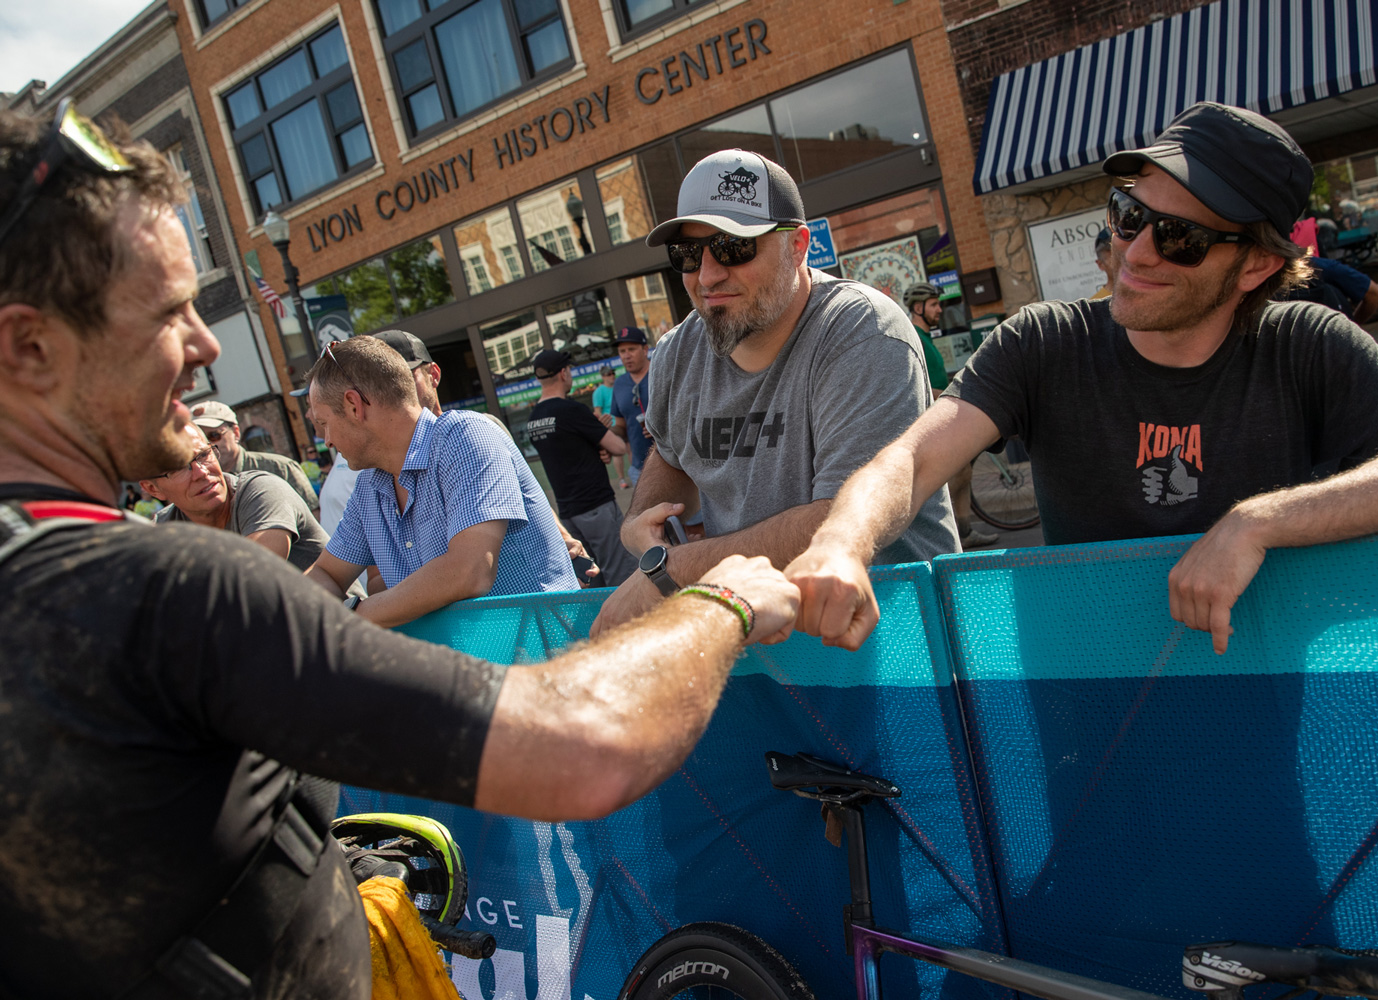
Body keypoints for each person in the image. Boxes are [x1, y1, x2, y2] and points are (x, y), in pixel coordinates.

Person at [0, 102, 798, 998]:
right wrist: (723, 602)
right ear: (30, 346)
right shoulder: (174, 590)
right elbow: (586, 747)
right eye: (165, 312)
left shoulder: (87, 578)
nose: (206, 343)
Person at [786, 101, 1378, 656]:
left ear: (1255, 265)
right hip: (1086, 710)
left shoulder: (1303, 347)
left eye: (1181, 238)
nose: (1136, 252)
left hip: (1259, 699)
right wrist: (841, 542)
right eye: (1130, 215)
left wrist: (1258, 523)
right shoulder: (1044, 342)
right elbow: (911, 460)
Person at [592, 148, 959, 635]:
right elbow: (671, 452)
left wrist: (671, 571)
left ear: (798, 246)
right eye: (687, 254)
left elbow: (839, 520)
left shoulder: (861, 332)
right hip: (757, 634)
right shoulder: (678, 351)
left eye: (733, 247)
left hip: (891, 633)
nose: (707, 275)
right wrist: (639, 520)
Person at [303, 336, 578, 625]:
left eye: (324, 423)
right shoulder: (369, 486)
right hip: (472, 653)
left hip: (543, 648)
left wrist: (348, 618)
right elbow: (325, 573)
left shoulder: (466, 437)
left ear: (353, 405)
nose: (327, 440)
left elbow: (469, 572)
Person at [142, 423, 329, 570]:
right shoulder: (164, 530)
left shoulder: (262, 491)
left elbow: (252, 577)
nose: (201, 472)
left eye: (203, 455)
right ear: (152, 489)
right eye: (179, 467)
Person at [525, 348, 635, 586]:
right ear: (563, 373)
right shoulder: (572, 410)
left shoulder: (534, 419)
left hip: (568, 513)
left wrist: (596, 446)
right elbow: (617, 447)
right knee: (622, 575)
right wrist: (600, 431)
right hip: (596, 506)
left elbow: (568, 451)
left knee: (591, 577)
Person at [903, 281, 997, 549]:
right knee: (957, 471)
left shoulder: (927, 339)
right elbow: (920, 384)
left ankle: (963, 531)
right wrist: (952, 395)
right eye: (934, 305)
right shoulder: (914, 337)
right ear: (918, 308)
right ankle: (939, 530)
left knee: (963, 470)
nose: (940, 310)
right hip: (929, 419)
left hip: (940, 414)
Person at [192, 398, 321, 515]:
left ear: (236, 433)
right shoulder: (198, 484)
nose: (208, 445)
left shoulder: (280, 468)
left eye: (214, 435)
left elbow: (313, 516)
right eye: (200, 438)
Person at [610, 326, 653, 485]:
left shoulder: (661, 373)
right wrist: (606, 432)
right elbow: (621, 426)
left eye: (631, 349)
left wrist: (659, 426)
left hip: (674, 462)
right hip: (640, 469)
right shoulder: (619, 384)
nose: (626, 355)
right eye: (622, 351)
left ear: (645, 349)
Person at [593, 364, 630, 489]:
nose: (612, 376)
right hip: (612, 426)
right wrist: (604, 427)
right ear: (603, 376)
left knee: (631, 449)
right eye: (609, 374)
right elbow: (597, 411)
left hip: (625, 422)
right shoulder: (599, 391)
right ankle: (621, 479)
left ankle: (638, 475)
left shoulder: (618, 387)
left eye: (613, 373)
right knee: (618, 452)